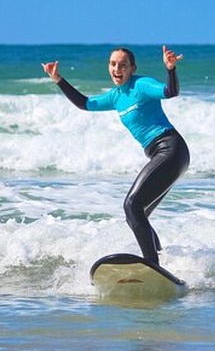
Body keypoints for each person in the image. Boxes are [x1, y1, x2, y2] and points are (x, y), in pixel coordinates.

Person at [42, 46, 190, 264]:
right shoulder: (116, 96)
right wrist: (58, 79)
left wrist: (170, 69)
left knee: (132, 206)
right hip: (164, 154)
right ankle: (160, 261)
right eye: (113, 64)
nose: (117, 68)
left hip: (170, 149)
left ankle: (151, 264)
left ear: (132, 68)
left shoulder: (141, 85)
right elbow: (85, 103)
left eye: (122, 64)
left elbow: (170, 91)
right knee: (138, 215)